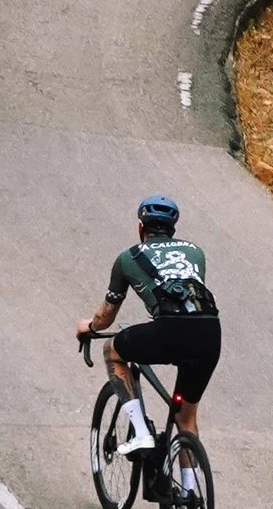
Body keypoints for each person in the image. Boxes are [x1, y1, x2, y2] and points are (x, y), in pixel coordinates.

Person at [78, 195, 219, 462]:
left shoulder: (128, 258)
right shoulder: (196, 252)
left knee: (113, 350)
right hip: (210, 332)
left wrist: (89, 327)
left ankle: (141, 433)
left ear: (140, 227)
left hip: (170, 330)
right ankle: (189, 493)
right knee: (186, 419)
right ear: (173, 230)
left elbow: (106, 316)